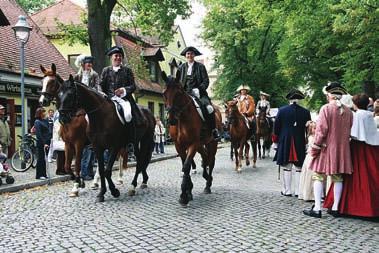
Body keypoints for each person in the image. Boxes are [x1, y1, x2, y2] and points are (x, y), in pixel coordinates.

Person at [323, 94, 379, 217]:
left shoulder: (358, 115)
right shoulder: (370, 115)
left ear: (356, 103)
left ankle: (351, 207)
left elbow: (353, 133)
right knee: (372, 176)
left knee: (355, 177)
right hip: (371, 149)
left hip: (358, 149)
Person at [303, 82, 353, 218]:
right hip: (342, 150)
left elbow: (321, 131)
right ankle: (336, 207)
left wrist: (315, 148)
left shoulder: (326, 109)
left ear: (330, 95)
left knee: (318, 176)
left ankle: (318, 208)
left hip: (326, 149)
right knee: (338, 177)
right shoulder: (349, 111)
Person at [99, 46, 144, 156]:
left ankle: (129, 140)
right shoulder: (106, 70)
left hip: (124, 99)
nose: (118, 58)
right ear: (111, 58)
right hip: (109, 99)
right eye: (116, 56)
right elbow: (100, 85)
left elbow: (133, 86)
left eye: (119, 56)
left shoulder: (127, 70)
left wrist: (124, 90)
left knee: (128, 114)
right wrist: (103, 94)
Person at [273, 89, 311, 197]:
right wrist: (307, 143)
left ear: (289, 99)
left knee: (287, 166)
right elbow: (308, 130)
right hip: (299, 140)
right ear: (299, 99)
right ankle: (299, 191)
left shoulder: (282, 110)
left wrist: (275, 142)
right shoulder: (306, 112)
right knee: (299, 167)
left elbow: (276, 128)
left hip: (285, 140)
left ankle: (287, 190)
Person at [177, 46, 220, 141]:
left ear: (194, 55)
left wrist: (199, 89)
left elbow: (206, 81)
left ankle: (213, 130)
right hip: (185, 93)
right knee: (174, 108)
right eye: (188, 54)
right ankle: (175, 131)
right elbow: (178, 82)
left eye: (191, 54)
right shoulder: (181, 67)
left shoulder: (201, 67)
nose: (190, 55)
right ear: (185, 55)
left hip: (199, 94)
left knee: (209, 108)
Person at [74, 54, 99, 180]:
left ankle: (88, 170)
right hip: (79, 104)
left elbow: (97, 87)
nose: (89, 65)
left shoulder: (94, 75)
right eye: (87, 63)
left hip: (90, 103)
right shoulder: (77, 76)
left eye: (90, 63)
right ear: (83, 64)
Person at [298, 120, 316, 201]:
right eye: (314, 128)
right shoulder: (311, 138)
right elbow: (314, 146)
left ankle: (312, 193)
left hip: (312, 157)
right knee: (310, 175)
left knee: (313, 175)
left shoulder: (314, 137)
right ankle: (309, 194)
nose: (316, 130)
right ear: (310, 130)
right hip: (311, 157)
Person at [34, 107, 52, 180]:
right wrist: (44, 143)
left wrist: (48, 141)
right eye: (43, 112)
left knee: (45, 158)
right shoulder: (37, 122)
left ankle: (44, 174)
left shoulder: (45, 121)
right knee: (40, 158)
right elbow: (39, 134)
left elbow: (49, 130)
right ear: (39, 114)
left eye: (44, 112)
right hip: (41, 143)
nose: (44, 113)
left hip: (47, 142)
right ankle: (39, 175)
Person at [47, 111, 66, 175]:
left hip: (61, 141)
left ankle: (63, 169)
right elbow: (59, 132)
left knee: (63, 156)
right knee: (60, 156)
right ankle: (59, 170)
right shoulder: (57, 122)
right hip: (59, 141)